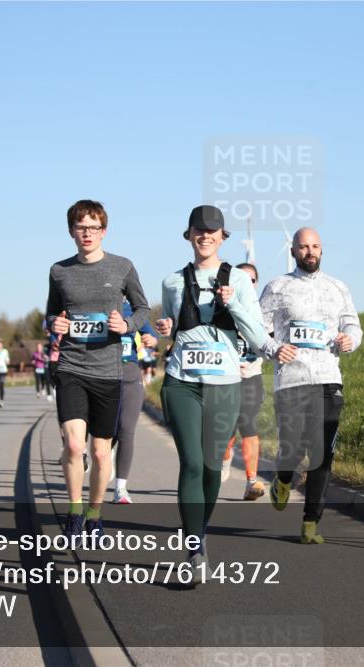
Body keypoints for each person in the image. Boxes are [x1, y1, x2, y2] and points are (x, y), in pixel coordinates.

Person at [156, 205, 285, 584]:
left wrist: (235, 305)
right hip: (182, 381)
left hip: (225, 383)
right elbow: (174, 328)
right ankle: (194, 548)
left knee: (213, 467)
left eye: (212, 232)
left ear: (223, 237)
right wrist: (165, 327)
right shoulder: (172, 282)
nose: (205, 236)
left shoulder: (240, 280)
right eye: (199, 231)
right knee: (192, 463)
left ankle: (200, 530)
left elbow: (255, 331)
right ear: (189, 235)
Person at [46, 199, 149, 540]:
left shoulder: (122, 267)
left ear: (104, 231)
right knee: (75, 446)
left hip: (108, 371)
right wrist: (55, 324)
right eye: (81, 227)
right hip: (72, 367)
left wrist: (127, 325)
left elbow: (143, 308)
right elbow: (51, 313)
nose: (87, 233)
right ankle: (75, 512)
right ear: (71, 232)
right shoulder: (59, 271)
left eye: (93, 227)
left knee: (102, 453)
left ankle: (94, 514)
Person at [260, 227, 363, 544]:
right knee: (293, 448)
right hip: (291, 380)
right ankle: (283, 478)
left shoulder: (337, 287)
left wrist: (350, 340)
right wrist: (273, 348)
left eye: (315, 246)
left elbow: (352, 325)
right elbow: (256, 330)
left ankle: (310, 524)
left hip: (328, 379)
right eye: (303, 247)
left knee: (323, 453)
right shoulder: (277, 287)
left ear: (321, 250)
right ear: (293, 251)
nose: (310, 252)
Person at [221, 262, 266, 500]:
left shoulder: (264, 312)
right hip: (225, 380)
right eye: (242, 279)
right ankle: (225, 457)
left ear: (256, 284)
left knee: (248, 424)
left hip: (251, 376)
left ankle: (251, 481)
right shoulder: (221, 310)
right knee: (226, 430)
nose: (248, 284)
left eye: (252, 280)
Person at [112, 302, 157, 504]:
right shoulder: (95, 303)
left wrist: (151, 339)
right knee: (108, 433)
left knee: (126, 430)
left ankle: (120, 488)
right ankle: (103, 454)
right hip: (102, 376)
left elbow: (152, 336)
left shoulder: (132, 310)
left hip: (130, 374)